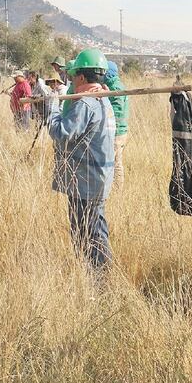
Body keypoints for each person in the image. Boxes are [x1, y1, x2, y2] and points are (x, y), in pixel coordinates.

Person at [48, 49, 116, 272]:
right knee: (95, 228)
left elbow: (61, 133)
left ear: (82, 77)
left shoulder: (86, 104)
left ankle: (98, 279)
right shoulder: (103, 100)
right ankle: (93, 273)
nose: (72, 79)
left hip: (85, 180)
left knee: (88, 232)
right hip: (97, 177)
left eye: (74, 74)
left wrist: (53, 107)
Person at [103, 61, 130, 186]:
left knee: (113, 162)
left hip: (116, 131)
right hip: (119, 130)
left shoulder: (115, 88)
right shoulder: (116, 85)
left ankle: (116, 189)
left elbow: (116, 112)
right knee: (115, 161)